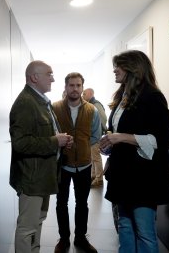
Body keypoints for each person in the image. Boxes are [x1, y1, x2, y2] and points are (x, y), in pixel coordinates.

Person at [99, 50, 169, 253]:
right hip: (122, 175)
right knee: (124, 227)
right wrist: (109, 142)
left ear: (134, 69)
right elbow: (117, 130)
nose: (114, 70)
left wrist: (121, 137)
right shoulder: (122, 95)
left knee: (144, 232)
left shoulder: (153, 97)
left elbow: (164, 140)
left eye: (119, 66)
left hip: (144, 179)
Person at [9, 60, 74, 253]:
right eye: (49, 74)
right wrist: (56, 142)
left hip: (43, 176)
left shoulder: (40, 101)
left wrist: (61, 140)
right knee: (27, 228)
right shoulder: (25, 103)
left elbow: (44, 133)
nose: (53, 79)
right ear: (34, 77)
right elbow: (21, 144)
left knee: (37, 222)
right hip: (32, 179)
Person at [52, 72, 101, 253]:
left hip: (84, 164)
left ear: (82, 87)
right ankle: (64, 238)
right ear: (65, 87)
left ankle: (80, 238)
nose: (75, 89)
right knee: (61, 203)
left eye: (78, 85)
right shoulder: (54, 108)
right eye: (71, 85)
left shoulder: (92, 110)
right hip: (62, 165)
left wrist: (82, 146)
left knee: (82, 203)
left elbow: (96, 135)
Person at [82, 88, 107, 188]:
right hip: (91, 136)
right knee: (92, 157)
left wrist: (99, 131)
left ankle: (99, 179)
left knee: (96, 157)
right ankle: (93, 177)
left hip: (95, 136)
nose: (82, 95)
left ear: (91, 94)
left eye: (84, 94)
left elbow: (103, 119)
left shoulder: (96, 104)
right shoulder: (90, 104)